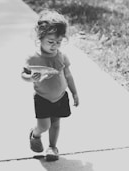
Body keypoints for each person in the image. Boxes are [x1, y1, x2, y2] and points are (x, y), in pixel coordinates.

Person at [21, 9, 79, 161]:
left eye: (58, 42)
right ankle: (35, 134)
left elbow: (68, 74)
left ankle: (52, 147)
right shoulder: (33, 58)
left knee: (56, 125)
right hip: (42, 98)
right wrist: (31, 78)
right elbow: (24, 74)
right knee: (44, 125)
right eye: (50, 42)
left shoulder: (61, 56)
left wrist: (74, 92)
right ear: (40, 38)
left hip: (60, 96)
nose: (55, 46)